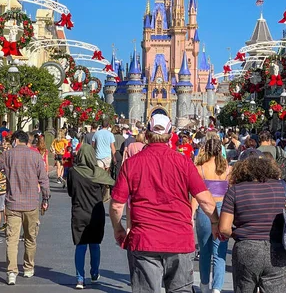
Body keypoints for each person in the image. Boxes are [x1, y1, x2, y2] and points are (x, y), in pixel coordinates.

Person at [110, 114, 219, 293]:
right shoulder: (183, 162)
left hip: (145, 240)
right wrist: (215, 223)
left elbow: (116, 205)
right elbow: (205, 200)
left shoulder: (132, 164)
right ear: (170, 135)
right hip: (179, 240)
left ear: (147, 134)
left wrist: (118, 229)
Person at [0, 130, 50, 286]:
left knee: (12, 240)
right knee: (30, 238)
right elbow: (44, 180)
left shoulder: (8, 155)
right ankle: (28, 267)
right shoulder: (35, 156)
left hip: (12, 203)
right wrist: (45, 199)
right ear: (26, 141)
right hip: (31, 204)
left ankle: (11, 272)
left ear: (16, 140)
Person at [219, 154, 286, 293]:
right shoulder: (283, 188)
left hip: (247, 248)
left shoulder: (235, 191)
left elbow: (223, 228)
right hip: (278, 247)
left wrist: (238, 233)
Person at [67, 144, 115, 289]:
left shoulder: (73, 172)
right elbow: (112, 184)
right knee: (95, 244)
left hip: (79, 211)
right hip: (96, 212)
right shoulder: (98, 173)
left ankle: (80, 279)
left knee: (80, 245)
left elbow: (70, 191)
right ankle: (94, 272)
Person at [192, 136, 230, 293]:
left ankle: (204, 285)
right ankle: (217, 288)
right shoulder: (227, 168)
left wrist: (191, 213)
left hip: (205, 209)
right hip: (223, 210)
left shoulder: (199, 168)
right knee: (220, 251)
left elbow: (195, 195)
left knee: (204, 249)